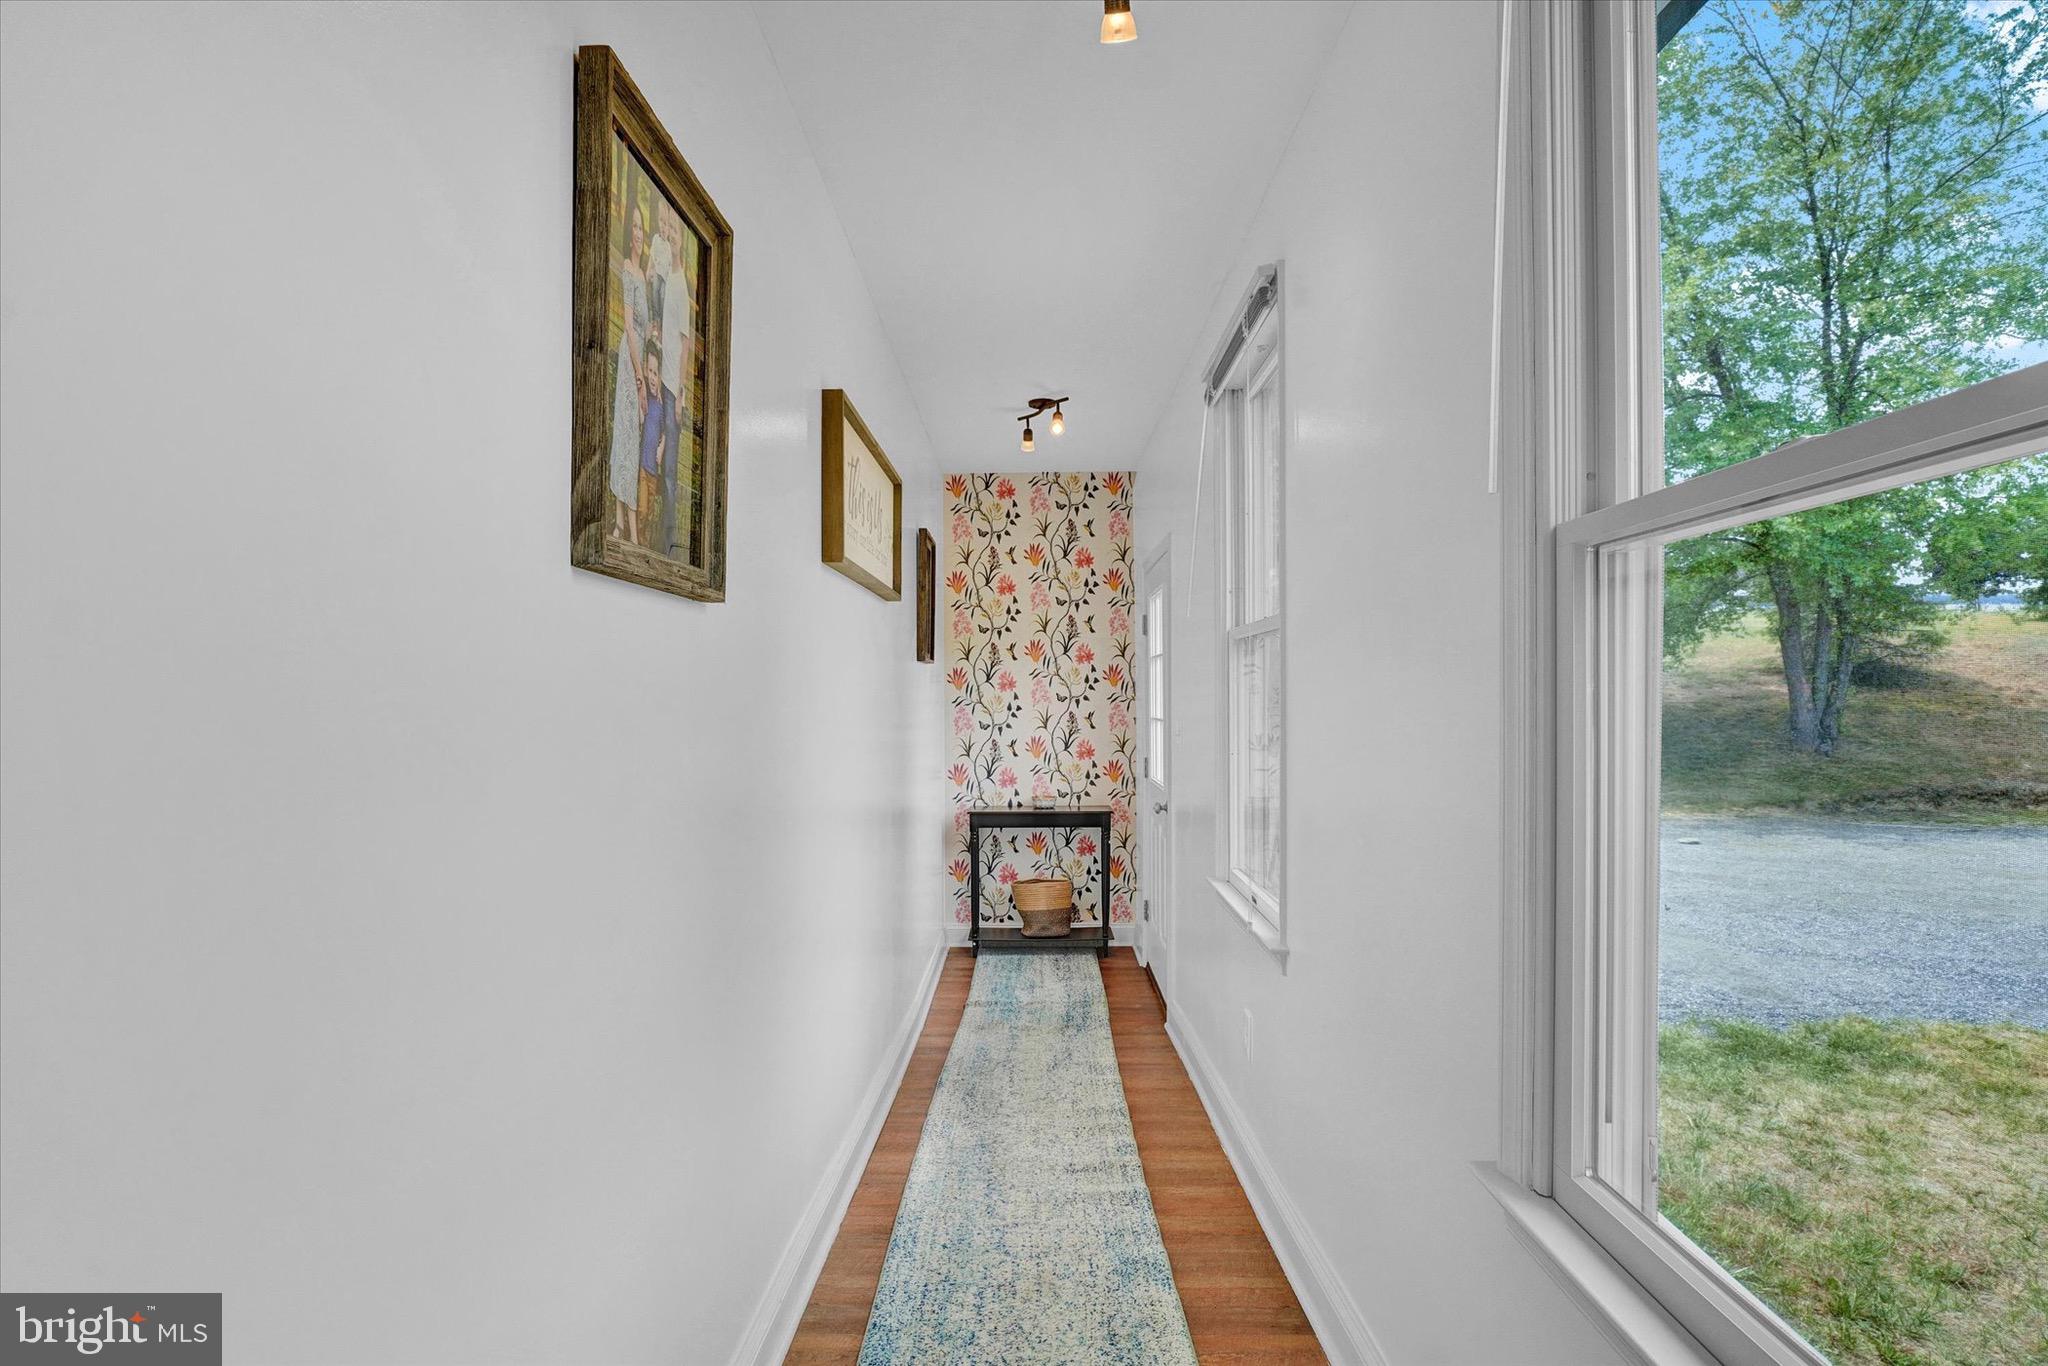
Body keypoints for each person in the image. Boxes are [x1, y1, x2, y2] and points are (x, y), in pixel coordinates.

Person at [637, 343, 669, 547]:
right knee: (641, 508)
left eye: (655, 373)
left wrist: (661, 448)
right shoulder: (646, 399)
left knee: (648, 512)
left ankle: (645, 542)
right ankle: (639, 541)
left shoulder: (661, 405)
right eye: (649, 371)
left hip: (654, 471)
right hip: (643, 465)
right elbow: (641, 420)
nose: (652, 378)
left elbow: (664, 431)